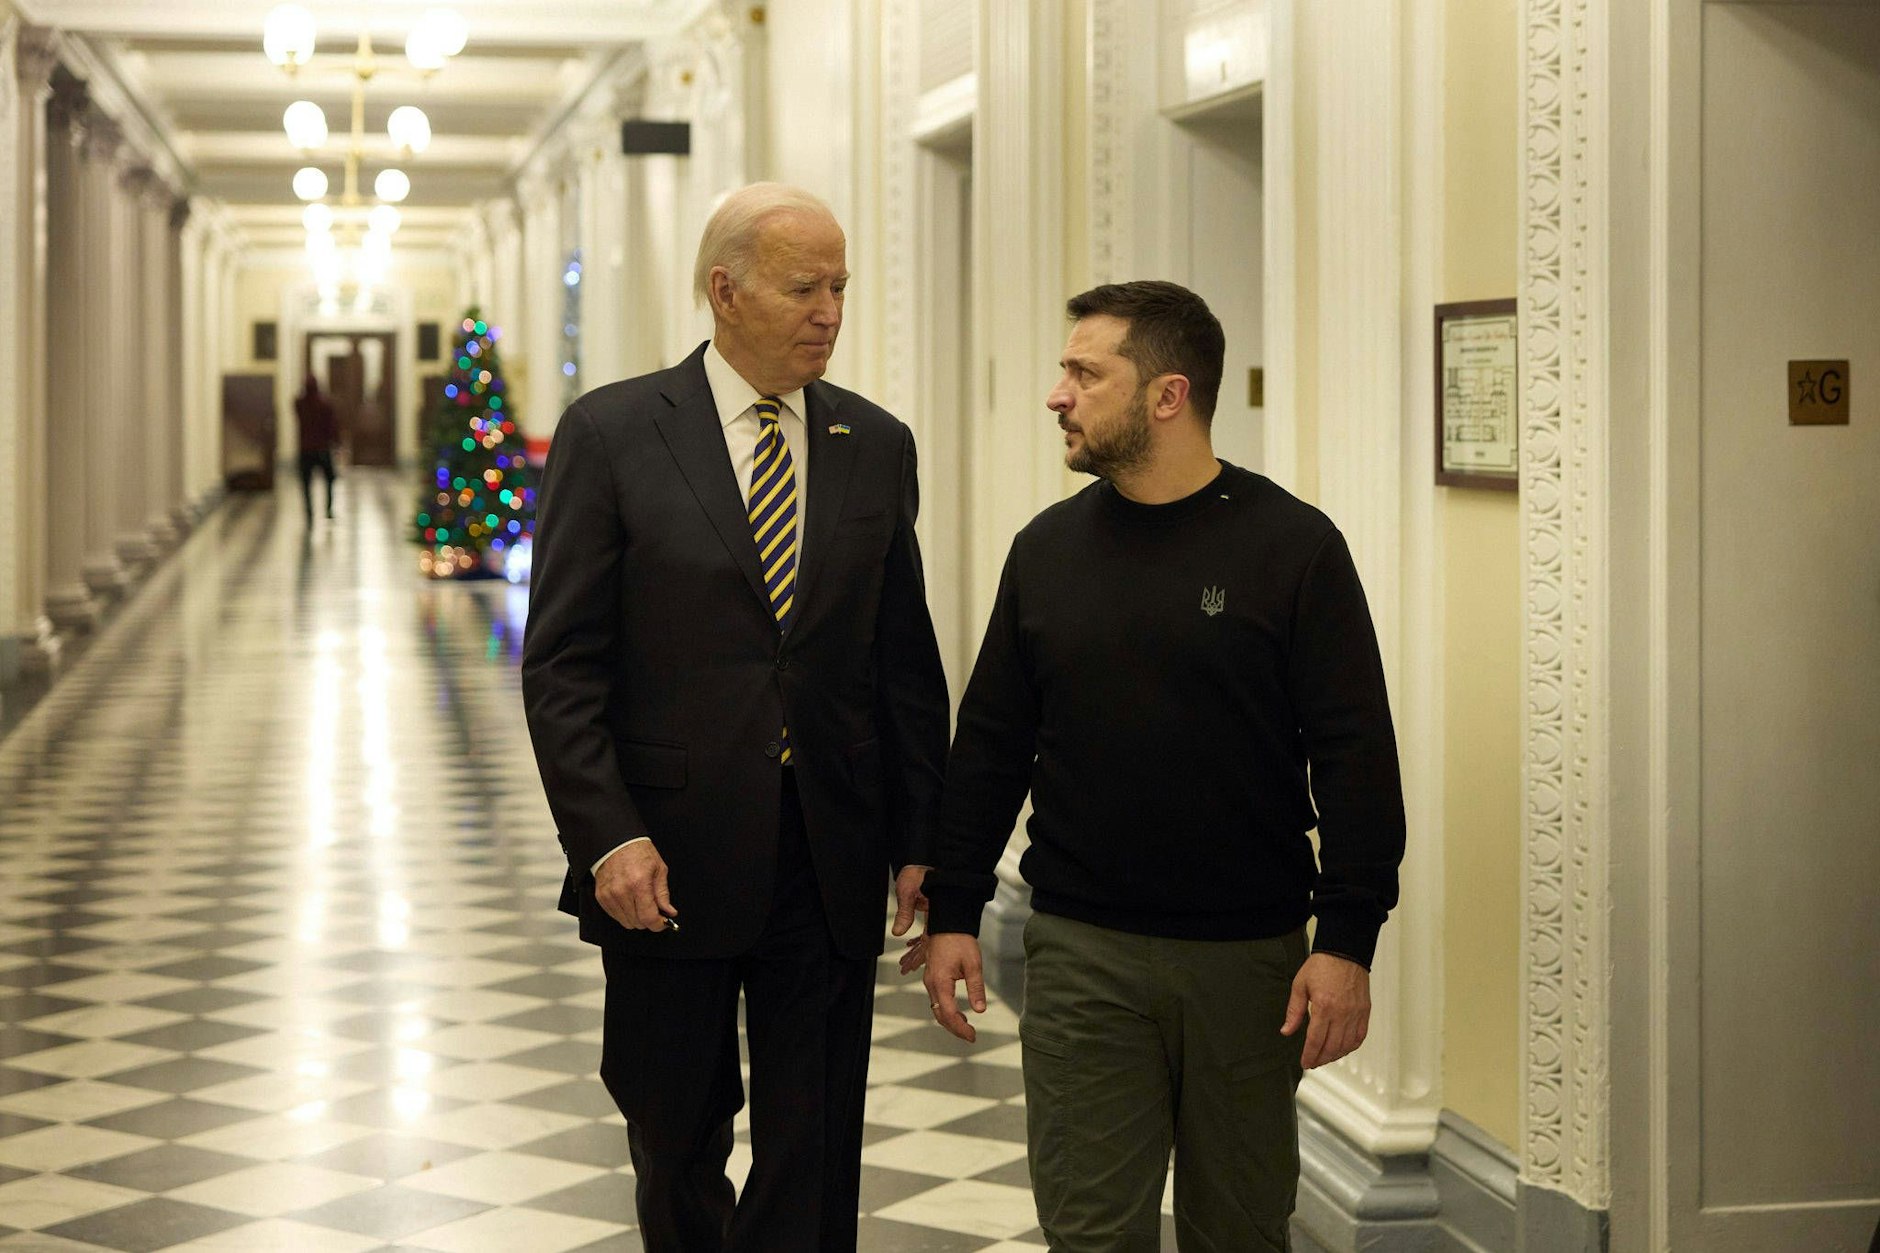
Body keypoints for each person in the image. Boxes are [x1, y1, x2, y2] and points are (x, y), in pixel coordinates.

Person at [915, 281, 1406, 1251]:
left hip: (1250, 962)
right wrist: (953, 908)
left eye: (1084, 372)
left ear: (1166, 395)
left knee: (1239, 1226)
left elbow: (1355, 755)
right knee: (1089, 1228)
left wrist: (1345, 938)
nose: (1057, 392)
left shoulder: (1291, 547)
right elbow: (988, 744)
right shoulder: (1045, 551)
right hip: (1079, 952)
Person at [521, 183, 950, 1252]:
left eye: (840, 285)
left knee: (813, 1141)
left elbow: (903, 663)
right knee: (675, 1132)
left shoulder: (874, 441)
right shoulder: (614, 434)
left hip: (827, 845)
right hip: (665, 855)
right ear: (724, 290)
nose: (829, 309)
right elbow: (564, 663)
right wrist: (608, 832)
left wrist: (920, 841)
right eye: (802, 285)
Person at [294, 375, 338, 523]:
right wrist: (336, 443)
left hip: (305, 448)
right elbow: (331, 426)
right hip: (322, 448)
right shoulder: (325, 404)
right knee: (329, 480)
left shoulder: (299, 403)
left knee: (306, 483)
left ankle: (309, 511)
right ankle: (328, 508)